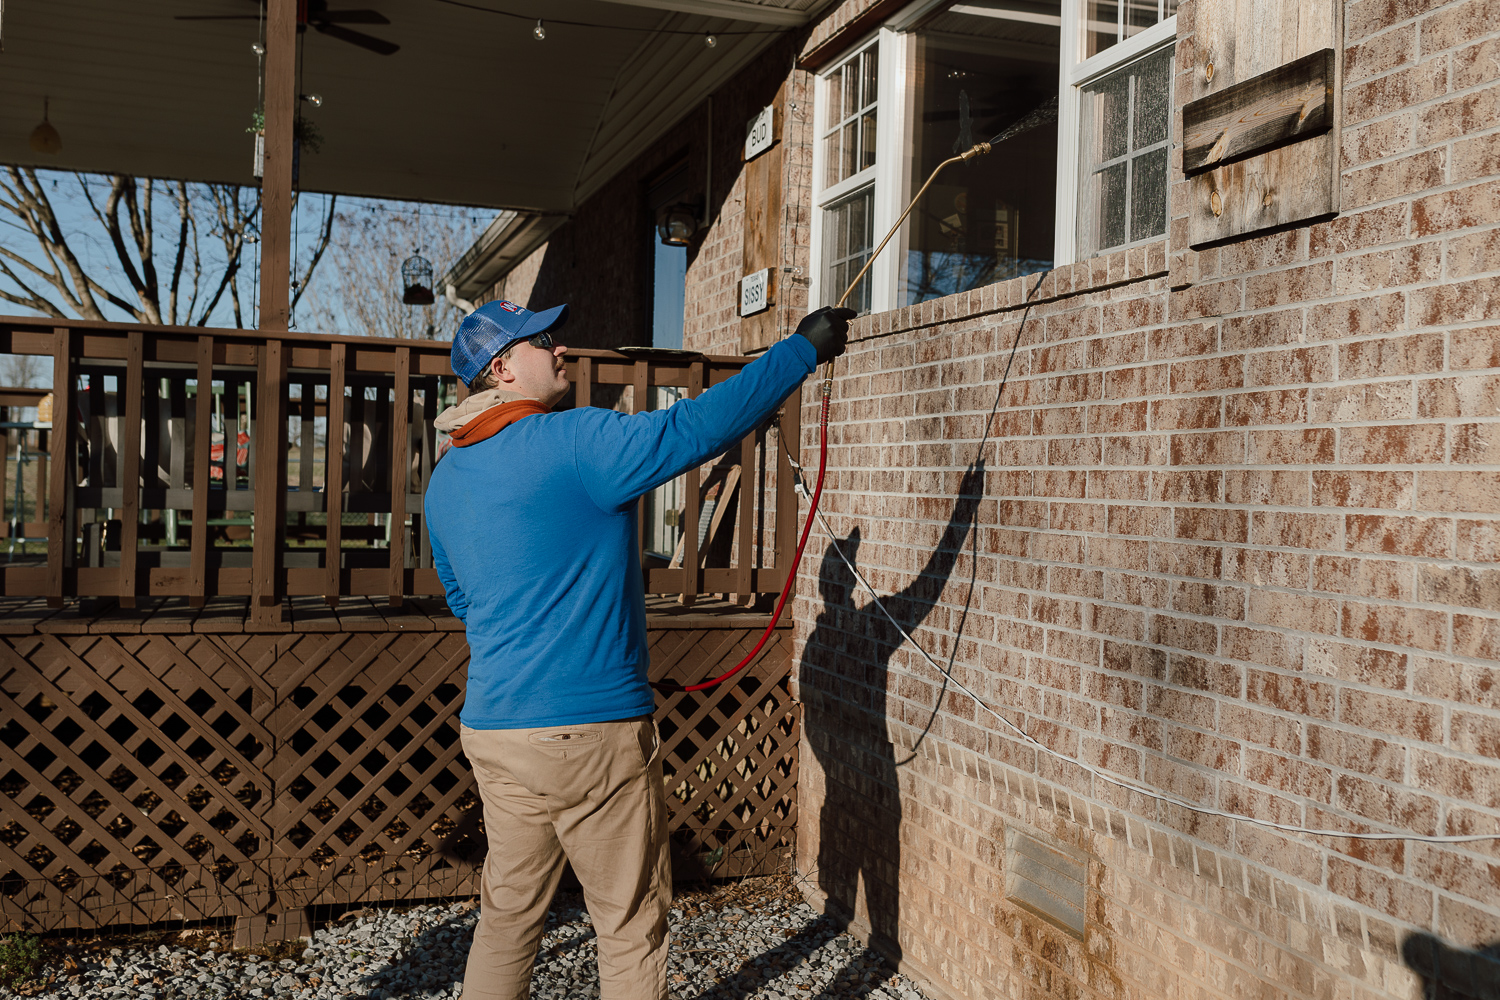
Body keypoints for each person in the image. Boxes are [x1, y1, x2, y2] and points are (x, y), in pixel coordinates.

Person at [424, 297, 855, 1000]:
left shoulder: (446, 480)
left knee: (506, 920)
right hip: (591, 734)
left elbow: (463, 598)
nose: (562, 350)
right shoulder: (574, 442)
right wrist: (798, 352)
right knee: (628, 926)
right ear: (501, 369)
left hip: (496, 731)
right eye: (544, 342)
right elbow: (695, 428)